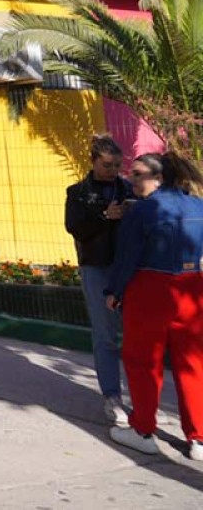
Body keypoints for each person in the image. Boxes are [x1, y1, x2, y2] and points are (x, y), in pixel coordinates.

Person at [104, 151, 203, 459]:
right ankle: (199, 439)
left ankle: (143, 430)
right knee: (194, 364)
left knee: (143, 362)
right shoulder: (198, 206)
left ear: (159, 178)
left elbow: (127, 257)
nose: (130, 179)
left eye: (137, 174)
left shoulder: (143, 212)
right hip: (193, 288)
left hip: (150, 288)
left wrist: (114, 291)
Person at [65, 133, 135, 426]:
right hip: (96, 267)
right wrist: (105, 216)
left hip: (126, 267)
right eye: (107, 165)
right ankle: (111, 396)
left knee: (133, 334)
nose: (112, 171)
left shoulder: (127, 188)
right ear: (93, 162)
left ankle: (139, 399)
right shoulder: (79, 192)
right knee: (105, 335)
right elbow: (75, 227)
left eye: (117, 165)